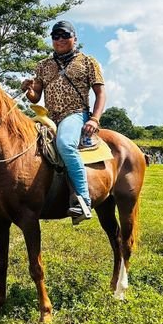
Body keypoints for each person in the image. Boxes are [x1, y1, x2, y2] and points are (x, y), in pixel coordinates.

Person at [21, 20, 106, 222]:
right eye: (55, 36)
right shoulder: (43, 65)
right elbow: (36, 97)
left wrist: (94, 119)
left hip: (75, 114)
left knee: (66, 144)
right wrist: (28, 89)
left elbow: (100, 93)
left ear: (74, 38)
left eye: (64, 35)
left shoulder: (88, 62)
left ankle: (83, 199)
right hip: (48, 116)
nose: (59, 40)